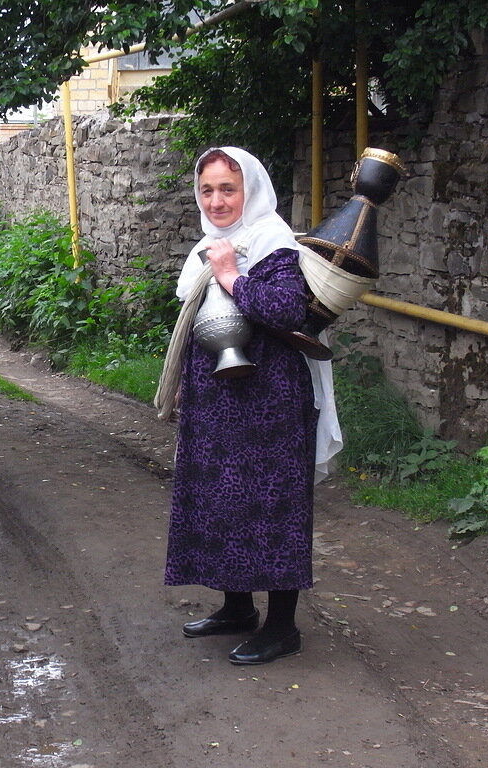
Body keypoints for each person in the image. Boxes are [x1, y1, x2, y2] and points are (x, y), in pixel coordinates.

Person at [159, 146, 342, 665]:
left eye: (228, 189)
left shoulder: (272, 241)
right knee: (221, 500)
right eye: (208, 189)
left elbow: (287, 309)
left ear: (251, 191)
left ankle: (282, 627)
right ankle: (236, 607)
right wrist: (183, 384)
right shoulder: (213, 242)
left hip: (269, 403)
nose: (216, 201)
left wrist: (233, 276)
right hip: (217, 401)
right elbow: (198, 323)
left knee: (271, 507)